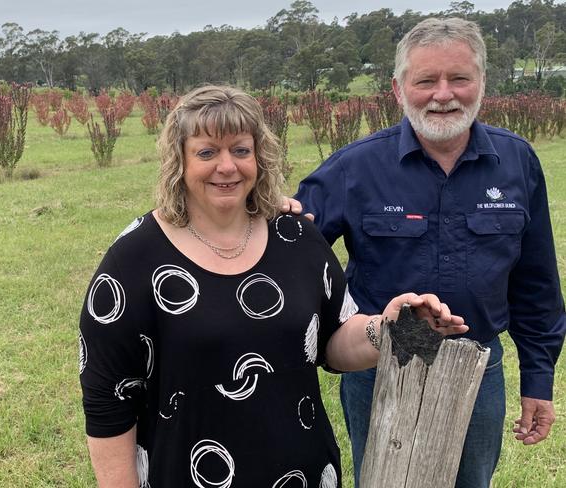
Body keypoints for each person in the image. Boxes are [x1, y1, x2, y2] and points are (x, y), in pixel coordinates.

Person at [78, 85, 467, 487]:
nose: (227, 167)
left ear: (259, 156)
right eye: (207, 152)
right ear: (179, 161)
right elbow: (108, 399)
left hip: (302, 473)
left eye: (241, 150)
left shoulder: (296, 238)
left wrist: (387, 328)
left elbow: (334, 340)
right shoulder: (136, 257)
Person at [292, 17, 566, 488]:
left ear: (481, 83)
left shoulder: (517, 161)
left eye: (459, 78)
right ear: (399, 90)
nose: (444, 94)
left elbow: (536, 282)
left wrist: (537, 380)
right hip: (381, 368)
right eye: (426, 81)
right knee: (383, 481)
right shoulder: (356, 167)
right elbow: (291, 249)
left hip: (477, 367)